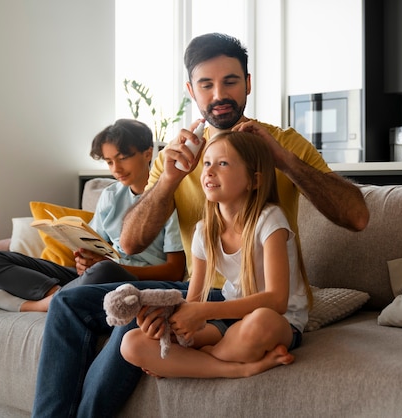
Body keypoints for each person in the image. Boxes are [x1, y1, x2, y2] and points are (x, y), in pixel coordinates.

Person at [32, 33, 369, 417]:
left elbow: (357, 217)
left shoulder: (282, 143)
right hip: (194, 289)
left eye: (230, 81)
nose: (219, 94)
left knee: (134, 329)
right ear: (192, 90)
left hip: (243, 297)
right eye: (206, 84)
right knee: (68, 302)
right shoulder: (181, 153)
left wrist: (283, 160)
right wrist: (170, 180)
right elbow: (130, 241)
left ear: (248, 83)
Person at [120, 131, 307, 378]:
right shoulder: (204, 231)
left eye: (223, 164)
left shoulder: (269, 220)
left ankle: (201, 361)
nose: (208, 171)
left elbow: (276, 300)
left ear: (255, 180)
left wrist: (204, 313)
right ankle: (239, 367)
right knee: (132, 342)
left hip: (280, 321)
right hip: (230, 320)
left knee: (259, 322)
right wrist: (169, 325)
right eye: (207, 163)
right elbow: (194, 302)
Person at [0, 119, 185, 312]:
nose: (116, 169)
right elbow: (96, 244)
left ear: (148, 153)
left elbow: (175, 271)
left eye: (123, 158)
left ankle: (36, 305)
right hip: (96, 276)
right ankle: (56, 295)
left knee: (104, 272)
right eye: (109, 161)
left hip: (131, 279)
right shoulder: (110, 195)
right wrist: (85, 260)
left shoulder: (168, 199)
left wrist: (113, 267)